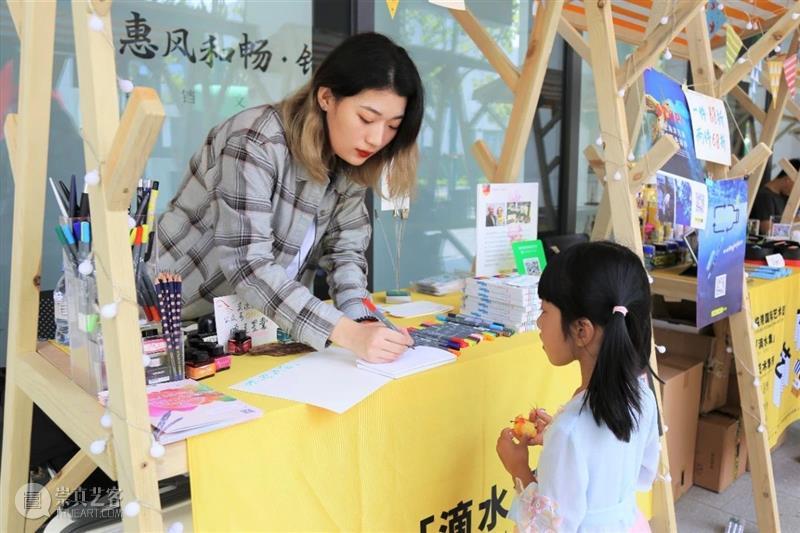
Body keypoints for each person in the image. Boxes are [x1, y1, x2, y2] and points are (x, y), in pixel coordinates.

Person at [157, 33, 424, 363]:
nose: (377, 138)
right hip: (178, 320)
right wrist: (348, 334)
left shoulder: (351, 157)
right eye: (366, 118)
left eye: (393, 126)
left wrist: (362, 319)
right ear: (326, 96)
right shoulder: (254, 140)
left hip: (256, 328)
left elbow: (346, 252)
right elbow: (249, 265)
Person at [496, 241, 660, 532]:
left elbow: (547, 528)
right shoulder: (643, 396)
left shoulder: (569, 431)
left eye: (545, 311)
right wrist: (561, 445)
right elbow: (641, 474)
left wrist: (518, 468)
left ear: (581, 330)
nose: (538, 322)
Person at [750, 158, 800, 235]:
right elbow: (767, 230)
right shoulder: (765, 196)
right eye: (797, 186)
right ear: (788, 179)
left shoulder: (784, 195)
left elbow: (792, 219)